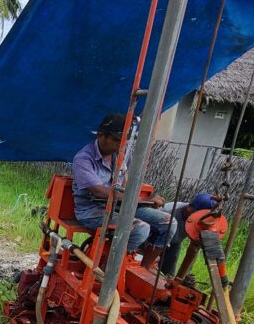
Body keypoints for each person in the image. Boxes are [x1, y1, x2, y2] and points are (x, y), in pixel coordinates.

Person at [72, 111, 177, 270]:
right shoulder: (83, 159)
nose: (120, 145)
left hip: (119, 207)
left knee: (169, 223)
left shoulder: (121, 154)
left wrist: (144, 201)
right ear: (101, 135)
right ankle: (107, 274)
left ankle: (144, 269)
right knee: (141, 229)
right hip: (93, 211)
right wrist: (140, 200)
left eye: (124, 141)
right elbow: (98, 191)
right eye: (116, 140)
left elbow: (125, 183)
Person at [159, 193, 219, 276]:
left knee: (168, 275)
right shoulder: (169, 213)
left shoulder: (196, 218)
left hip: (174, 243)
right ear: (190, 208)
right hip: (155, 239)